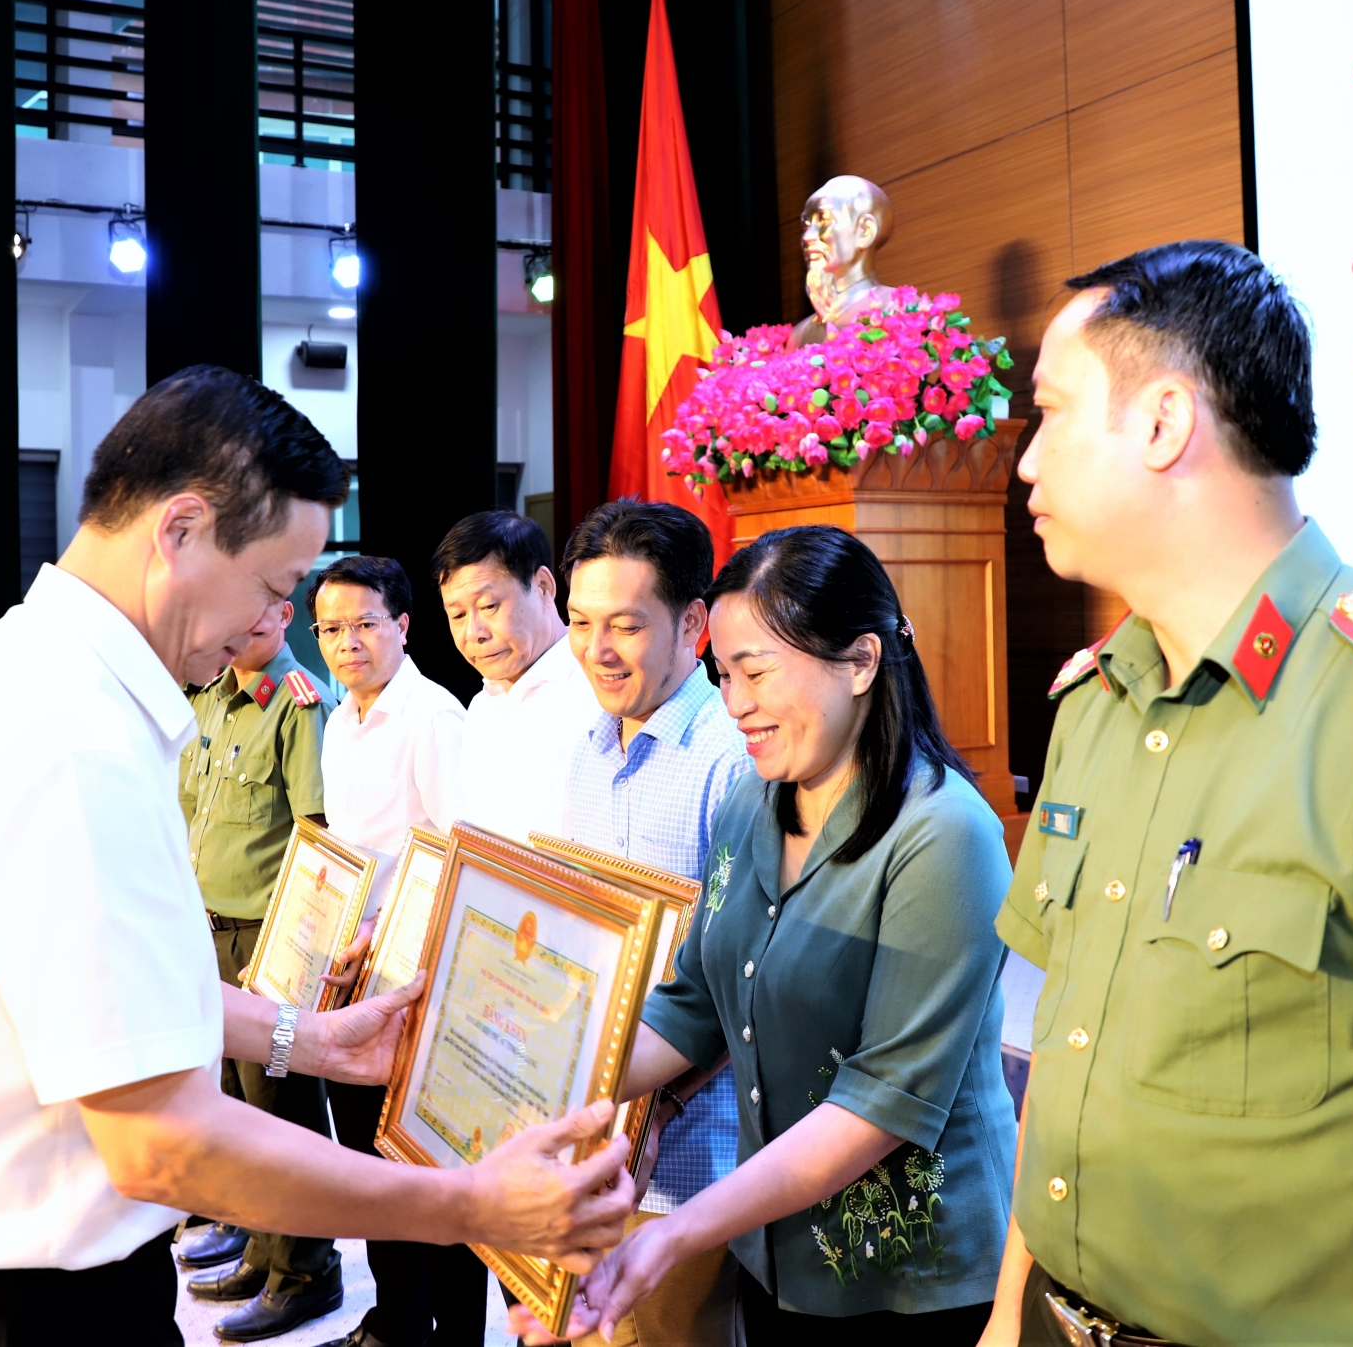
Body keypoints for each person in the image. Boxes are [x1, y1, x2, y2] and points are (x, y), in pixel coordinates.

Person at [0, 365, 633, 1346]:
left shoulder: (37, 674)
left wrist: (305, 1038)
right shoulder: (68, 734)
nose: (268, 628)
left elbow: (102, 997)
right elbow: (162, 1145)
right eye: (271, 588)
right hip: (0, 1302)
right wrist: (471, 1203)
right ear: (182, 530)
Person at [978, 242, 1353, 1347]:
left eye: (1052, 414)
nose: (1025, 461)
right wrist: (1014, 1312)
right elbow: (1066, 1057)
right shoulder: (1093, 706)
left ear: (1162, 424)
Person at [523, 525, 1018, 1345]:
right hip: (774, 1247)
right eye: (723, 675)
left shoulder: (943, 835)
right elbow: (691, 1006)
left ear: (860, 661)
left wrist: (680, 1229)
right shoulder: (753, 804)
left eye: (755, 671)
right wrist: (542, 1062)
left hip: (905, 1276)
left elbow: (880, 1100)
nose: (734, 703)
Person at [555, 499, 754, 1346]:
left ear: (694, 624)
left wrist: (640, 1093)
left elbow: (741, 979)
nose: (597, 649)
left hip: (694, 1156)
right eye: (579, 621)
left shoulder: (734, 760)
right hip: (597, 1140)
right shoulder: (587, 749)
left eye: (627, 626)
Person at [310, 554, 472, 1347]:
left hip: (417, 978)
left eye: (364, 624)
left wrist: (386, 930)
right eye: (331, 629)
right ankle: (394, 1320)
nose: (348, 642)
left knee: (423, 1172)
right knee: (373, 1164)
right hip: (353, 974)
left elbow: (457, 857)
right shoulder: (340, 718)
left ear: (403, 626)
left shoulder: (432, 719)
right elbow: (351, 849)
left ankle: (441, 1329)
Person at [177, 593, 345, 1342]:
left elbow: (315, 833)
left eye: (257, 613)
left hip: (264, 933)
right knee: (232, 1107)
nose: (238, 627)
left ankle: (307, 1269)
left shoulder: (297, 703)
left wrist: (295, 950)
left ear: (283, 615)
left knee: (280, 1111)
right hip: (205, 926)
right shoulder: (211, 697)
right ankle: (259, 1243)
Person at [435, 511, 601, 843]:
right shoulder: (481, 707)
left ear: (542, 586)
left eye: (489, 606)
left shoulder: (599, 690)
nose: (474, 633)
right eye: (457, 614)